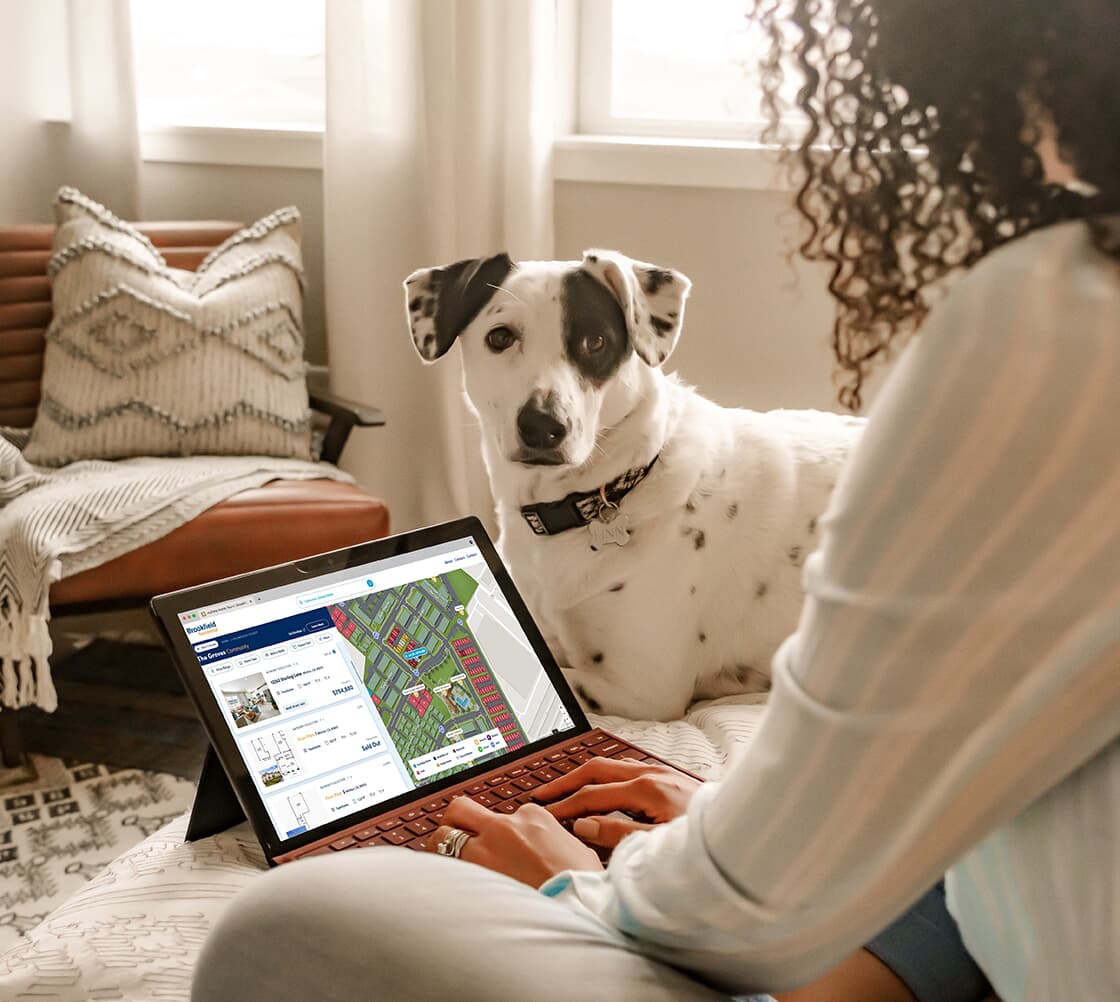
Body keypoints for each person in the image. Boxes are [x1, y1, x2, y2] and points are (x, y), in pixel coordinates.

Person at [191, 1, 1119, 999]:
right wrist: (724, 814)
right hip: (981, 903)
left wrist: (578, 886)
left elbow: (746, 917)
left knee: (282, 925)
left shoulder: (1059, 316)